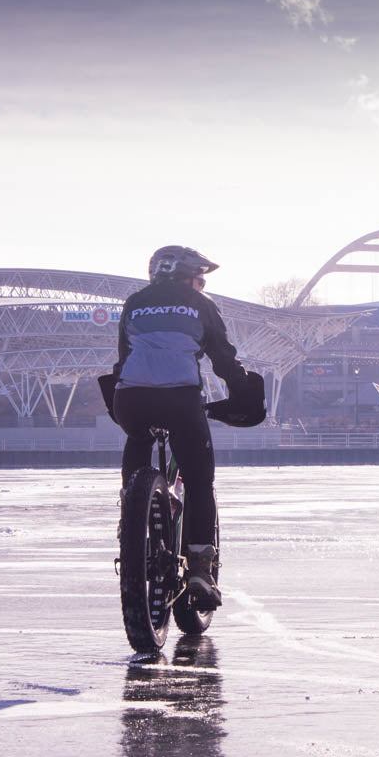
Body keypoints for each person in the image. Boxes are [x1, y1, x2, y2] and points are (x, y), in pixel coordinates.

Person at [108, 245, 252, 610]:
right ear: (185, 276)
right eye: (199, 278)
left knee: (138, 438)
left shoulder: (135, 303)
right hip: (181, 400)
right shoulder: (200, 304)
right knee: (200, 480)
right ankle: (201, 571)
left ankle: (131, 517)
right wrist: (241, 389)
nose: (201, 285)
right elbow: (222, 356)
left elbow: (125, 357)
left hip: (131, 398)